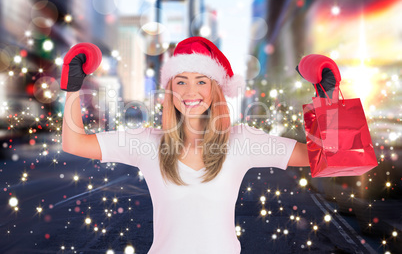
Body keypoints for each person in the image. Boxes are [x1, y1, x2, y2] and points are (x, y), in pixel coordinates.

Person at [61, 37, 310, 253]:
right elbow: (75, 143)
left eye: (201, 81)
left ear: (215, 89)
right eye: (181, 81)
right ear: (170, 90)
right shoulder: (147, 143)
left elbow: (318, 156)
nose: (191, 91)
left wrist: (326, 96)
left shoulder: (241, 141)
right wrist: (72, 86)